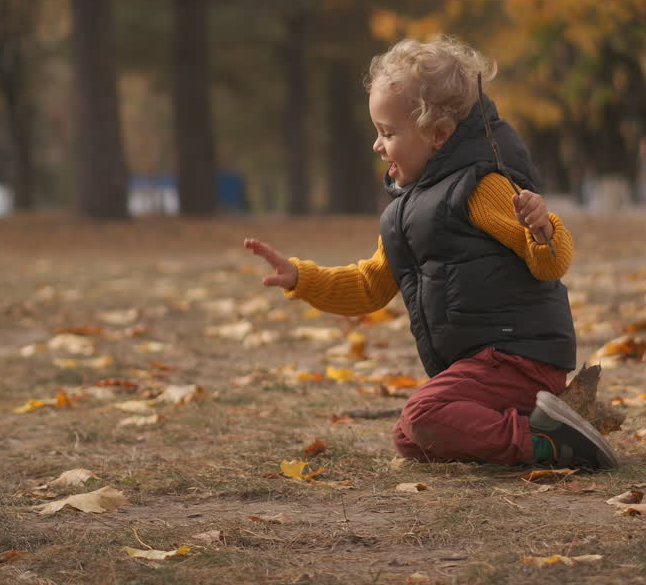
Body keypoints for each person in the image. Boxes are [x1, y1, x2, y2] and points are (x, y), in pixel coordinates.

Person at [244, 35, 618, 469]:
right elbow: (370, 284)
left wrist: (540, 228)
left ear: (438, 133)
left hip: (519, 358)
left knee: (423, 415)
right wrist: (301, 278)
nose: (377, 146)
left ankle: (552, 445)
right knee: (410, 437)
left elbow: (551, 263)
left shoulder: (481, 188)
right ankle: (549, 423)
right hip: (484, 363)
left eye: (387, 132)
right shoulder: (408, 213)